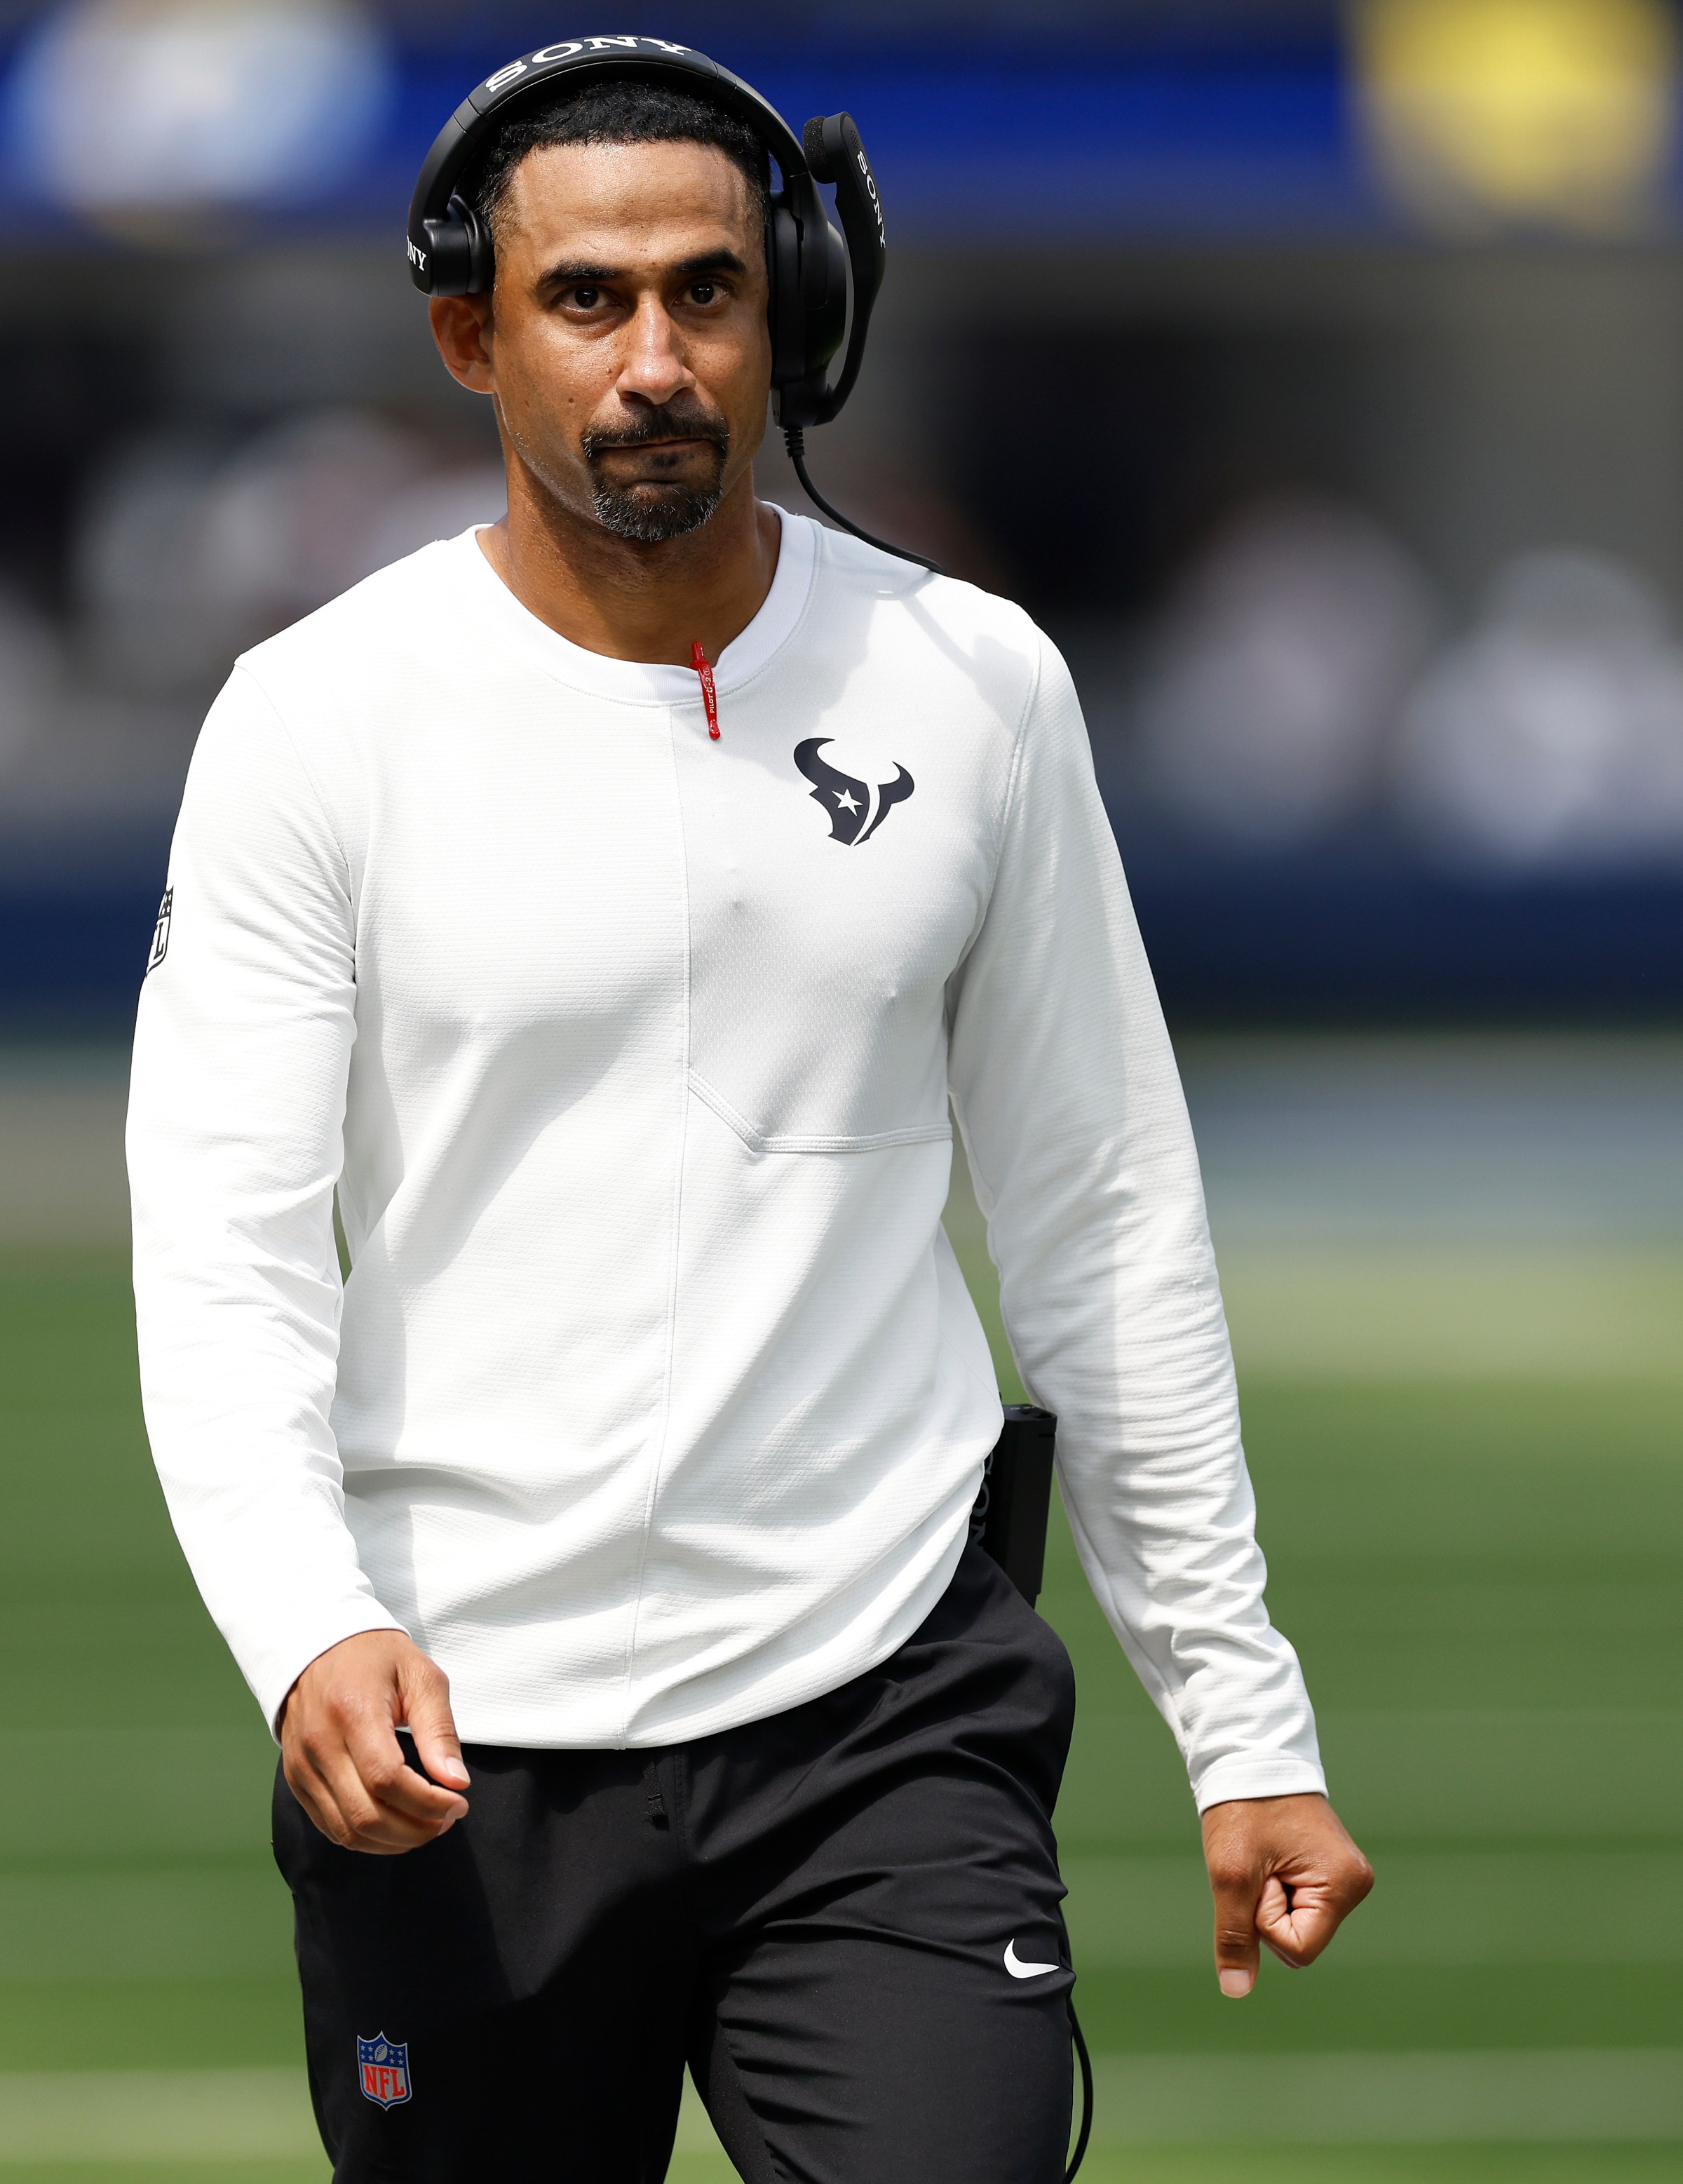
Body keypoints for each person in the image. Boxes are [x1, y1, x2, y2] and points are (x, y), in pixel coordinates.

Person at [127, 49, 1372, 2184]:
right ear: (471, 336)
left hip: (884, 1709)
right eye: (586, 300)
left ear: (790, 306)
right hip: (458, 1730)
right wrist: (303, 1619)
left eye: (708, 292)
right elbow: (226, 1242)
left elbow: (1104, 1219)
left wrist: (1241, 1721)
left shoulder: (976, 684)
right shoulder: (313, 719)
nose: (656, 359)